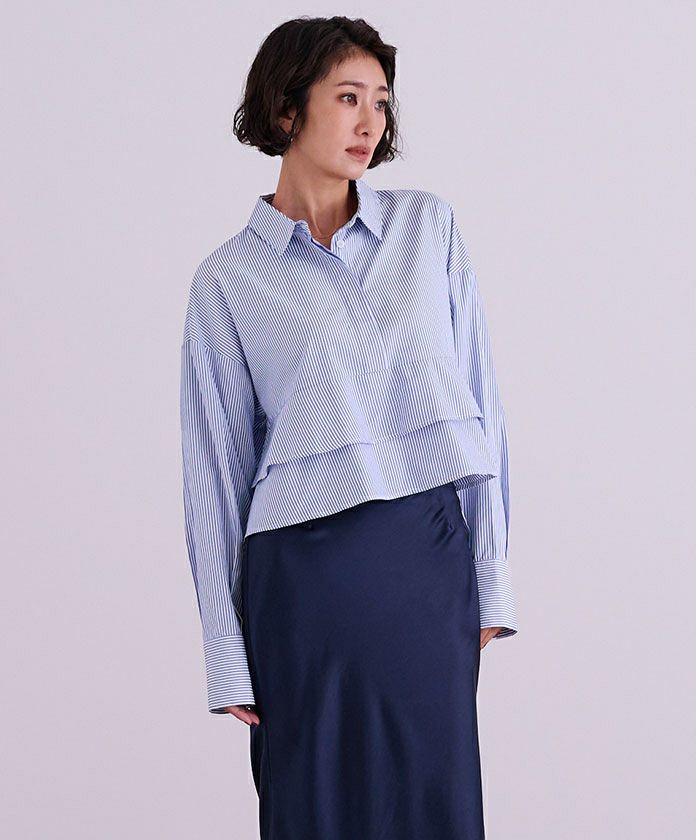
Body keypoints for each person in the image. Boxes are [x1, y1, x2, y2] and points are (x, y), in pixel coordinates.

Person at [179, 14, 518, 840]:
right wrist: (224, 646)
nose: (371, 121)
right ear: (286, 109)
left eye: (381, 102)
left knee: (434, 805)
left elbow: (484, 406)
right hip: (301, 584)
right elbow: (215, 474)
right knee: (315, 808)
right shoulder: (228, 281)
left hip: (426, 560)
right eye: (348, 98)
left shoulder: (429, 229)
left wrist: (493, 572)